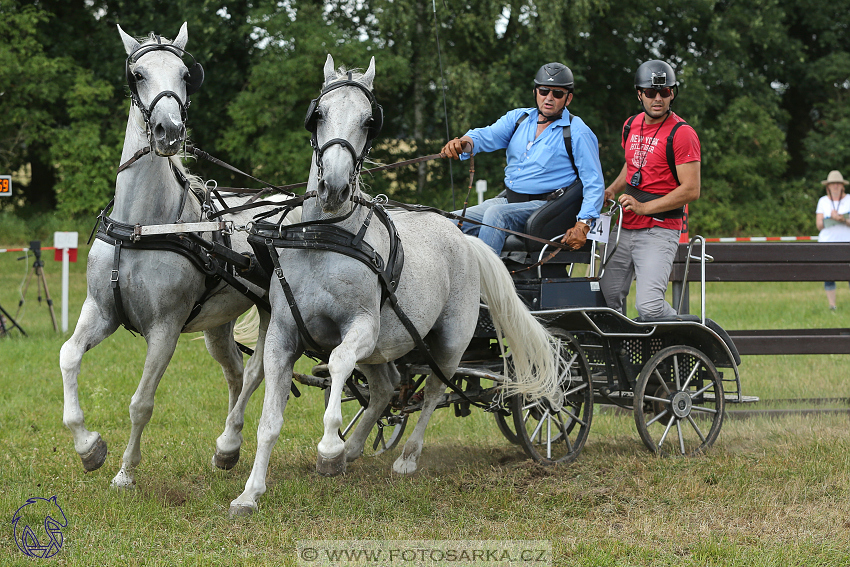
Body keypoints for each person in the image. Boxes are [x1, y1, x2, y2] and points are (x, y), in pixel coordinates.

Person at [440, 62, 604, 254]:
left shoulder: (577, 131)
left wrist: (583, 223)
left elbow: (594, 182)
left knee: (496, 215)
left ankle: (483, 282)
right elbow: (486, 135)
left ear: (568, 99)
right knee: (446, 221)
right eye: (544, 91)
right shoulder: (519, 119)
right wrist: (463, 142)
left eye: (557, 94)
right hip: (509, 200)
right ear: (535, 92)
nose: (549, 98)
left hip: (546, 207)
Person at [599, 60, 700, 319]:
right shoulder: (630, 125)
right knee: (605, 298)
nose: (658, 98)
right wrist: (611, 190)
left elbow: (691, 190)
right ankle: (623, 355)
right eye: (651, 92)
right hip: (624, 227)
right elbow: (632, 165)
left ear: (672, 94)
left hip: (659, 229)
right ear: (639, 94)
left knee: (650, 306)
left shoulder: (682, 133)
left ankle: (685, 339)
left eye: (664, 92)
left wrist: (644, 207)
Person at [815, 170, 850, 311]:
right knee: (829, 275)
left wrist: (844, 220)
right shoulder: (823, 201)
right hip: (827, 244)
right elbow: (819, 225)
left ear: (843, 186)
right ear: (828, 186)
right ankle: (832, 305)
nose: (835, 186)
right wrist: (831, 218)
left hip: (847, 243)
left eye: (838, 184)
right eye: (832, 184)